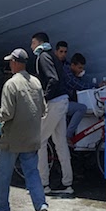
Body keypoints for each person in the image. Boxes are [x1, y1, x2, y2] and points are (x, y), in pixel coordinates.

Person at [0, 49, 48, 211]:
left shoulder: (11, 84)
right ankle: (41, 206)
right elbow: (43, 110)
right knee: (32, 173)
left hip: (13, 139)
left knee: (3, 175)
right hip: (32, 137)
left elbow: (7, 113)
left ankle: (2, 210)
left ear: (16, 63)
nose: (9, 64)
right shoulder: (36, 83)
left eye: (11, 61)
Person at [31, 31, 73, 195]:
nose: (31, 46)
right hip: (62, 101)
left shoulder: (43, 57)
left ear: (39, 43)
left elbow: (52, 79)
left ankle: (43, 183)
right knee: (60, 142)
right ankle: (67, 183)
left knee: (40, 141)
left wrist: (44, 99)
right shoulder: (53, 56)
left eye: (33, 43)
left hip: (54, 102)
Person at [62, 53, 96, 140]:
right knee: (82, 108)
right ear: (72, 65)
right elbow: (79, 85)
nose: (81, 70)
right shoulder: (67, 74)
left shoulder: (71, 72)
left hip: (65, 101)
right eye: (79, 68)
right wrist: (95, 85)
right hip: (61, 103)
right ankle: (68, 135)